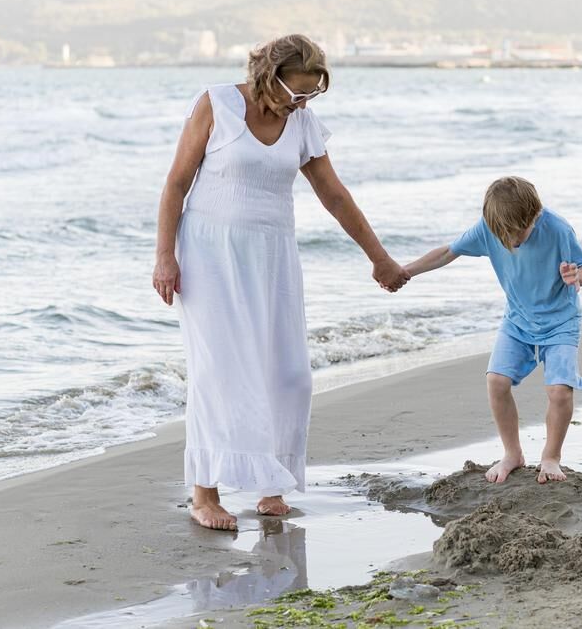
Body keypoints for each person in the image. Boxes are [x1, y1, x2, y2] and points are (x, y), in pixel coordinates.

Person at [152, 34, 409, 531]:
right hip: (209, 256)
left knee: (288, 372)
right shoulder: (216, 105)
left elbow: (334, 194)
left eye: (313, 93)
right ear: (269, 76)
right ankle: (204, 494)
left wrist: (379, 259)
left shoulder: (302, 123)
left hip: (273, 256)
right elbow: (176, 183)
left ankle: (272, 482)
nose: (303, 103)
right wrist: (165, 256)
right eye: (297, 92)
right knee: (219, 371)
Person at [404, 176, 582, 483]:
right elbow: (448, 252)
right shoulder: (489, 228)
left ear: (535, 215)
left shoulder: (557, 229)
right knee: (496, 381)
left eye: (519, 232)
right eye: (504, 234)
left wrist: (576, 275)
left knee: (559, 391)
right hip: (517, 321)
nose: (511, 239)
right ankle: (512, 454)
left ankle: (550, 458)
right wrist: (405, 272)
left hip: (561, 322)